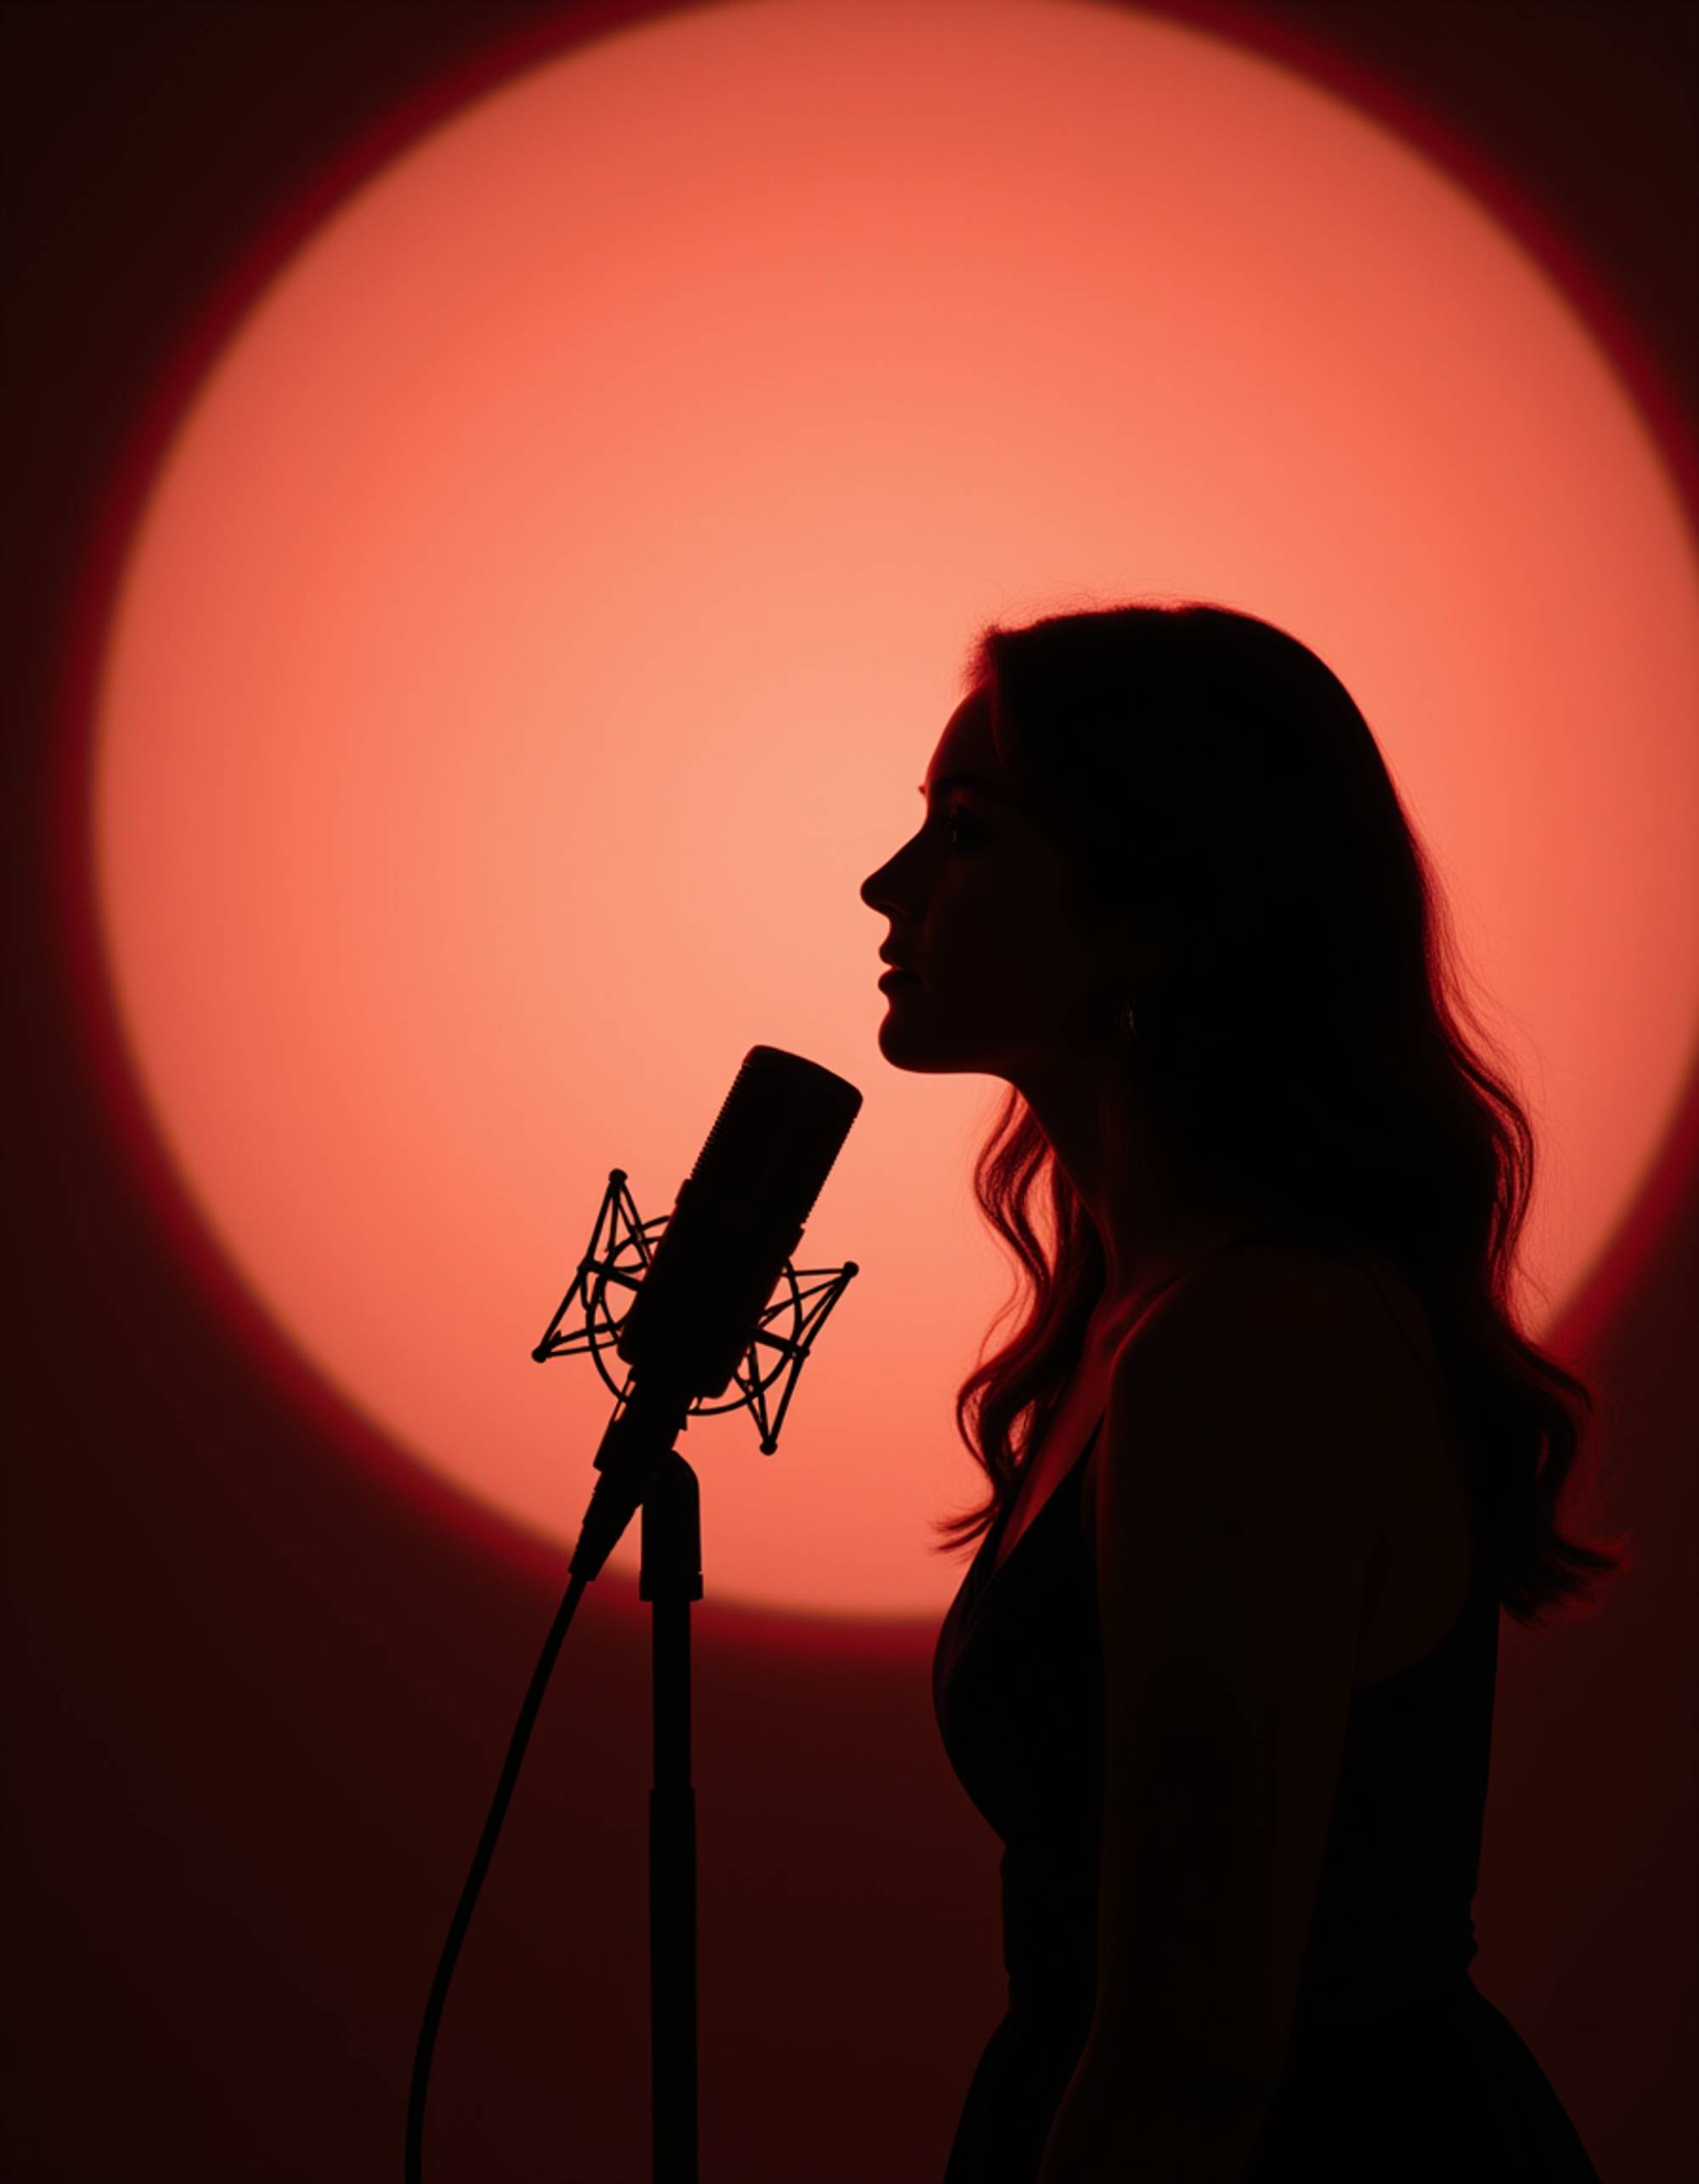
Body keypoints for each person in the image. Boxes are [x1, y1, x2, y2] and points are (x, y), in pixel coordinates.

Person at [858, 601, 1621, 2182]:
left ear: (1156, 907)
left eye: (968, 834)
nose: (889, 885)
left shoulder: (1250, 1342)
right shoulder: (1150, 1323)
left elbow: (1194, 2056)